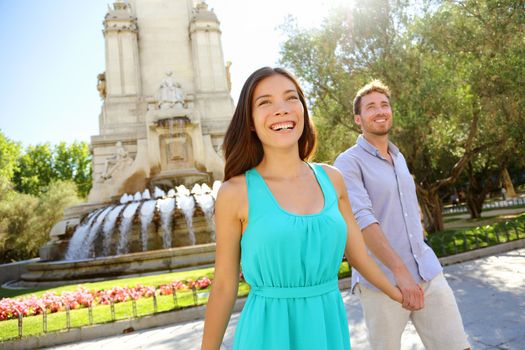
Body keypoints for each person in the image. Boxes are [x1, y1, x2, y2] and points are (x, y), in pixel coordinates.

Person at [201, 68, 404, 350]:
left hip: (327, 330)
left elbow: (360, 256)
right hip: (266, 336)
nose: (281, 110)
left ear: (303, 110)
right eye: (265, 102)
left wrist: (398, 292)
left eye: (290, 98)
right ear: (249, 121)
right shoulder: (235, 193)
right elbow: (224, 285)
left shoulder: (333, 180)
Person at [334, 80, 470, 350]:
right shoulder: (348, 163)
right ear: (358, 119)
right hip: (381, 281)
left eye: (384, 105)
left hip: (427, 272)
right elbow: (362, 220)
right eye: (371, 107)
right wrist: (400, 272)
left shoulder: (399, 157)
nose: (380, 110)